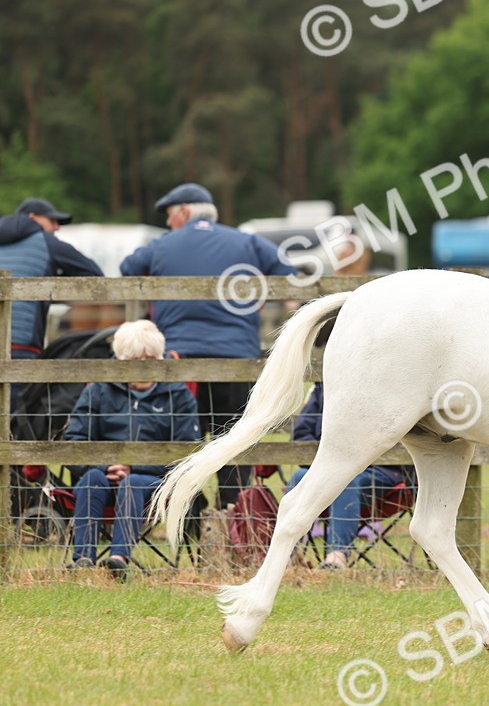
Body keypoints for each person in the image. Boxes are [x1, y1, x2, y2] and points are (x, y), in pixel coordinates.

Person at [119, 183, 295, 508]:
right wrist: (258, 297)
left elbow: (128, 268)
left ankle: (189, 515)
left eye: (170, 216)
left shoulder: (161, 245)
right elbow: (288, 271)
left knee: (185, 441)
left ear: (184, 212)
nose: (169, 223)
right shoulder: (248, 241)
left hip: (180, 359)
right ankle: (232, 515)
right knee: (233, 439)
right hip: (237, 358)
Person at [64, 320, 201, 576]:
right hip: (105, 476)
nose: (141, 365)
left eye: (148, 359)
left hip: (154, 482)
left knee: (133, 482)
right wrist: (106, 466)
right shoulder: (98, 391)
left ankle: (118, 558)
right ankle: (83, 559)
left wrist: (134, 466)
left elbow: (188, 453)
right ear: (119, 359)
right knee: (91, 478)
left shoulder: (179, 396)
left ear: (158, 358)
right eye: (133, 359)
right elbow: (75, 440)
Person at [283, 383, 417, 569]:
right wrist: (329, 462)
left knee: (345, 480)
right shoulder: (324, 388)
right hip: (327, 469)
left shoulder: (390, 386)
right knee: (299, 477)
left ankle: (337, 556)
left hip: (382, 471)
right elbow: (301, 436)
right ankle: (285, 557)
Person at [0, 197, 103, 361]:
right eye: (52, 220)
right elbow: (95, 275)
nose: (57, 227)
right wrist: (51, 282)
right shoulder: (45, 242)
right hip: (21, 347)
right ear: (32, 217)